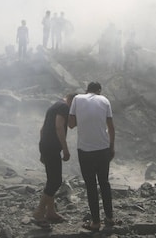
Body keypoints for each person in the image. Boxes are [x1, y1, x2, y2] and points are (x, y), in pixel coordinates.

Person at [68, 82, 116, 231]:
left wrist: (82, 118)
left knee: (91, 186)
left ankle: (96, 222)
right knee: (104, 183)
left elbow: (71, 124)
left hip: (85, 150)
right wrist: (112, 147)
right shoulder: (105, 100)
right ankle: (109, 218)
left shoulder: (77, 99)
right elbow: (111, 127)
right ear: (99, 91)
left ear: (86, 90)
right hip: (103, 149)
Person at [32, 93, 77, 229]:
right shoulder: (64, 107)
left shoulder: (55, 105)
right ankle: (39, 212)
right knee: (56, 181)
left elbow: (42, 129)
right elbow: (59, 127)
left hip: (46, 145)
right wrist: (65, 149)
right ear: (72, 101)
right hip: (52, 147)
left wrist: (42, 150)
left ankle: (51, 212)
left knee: (51, 179)